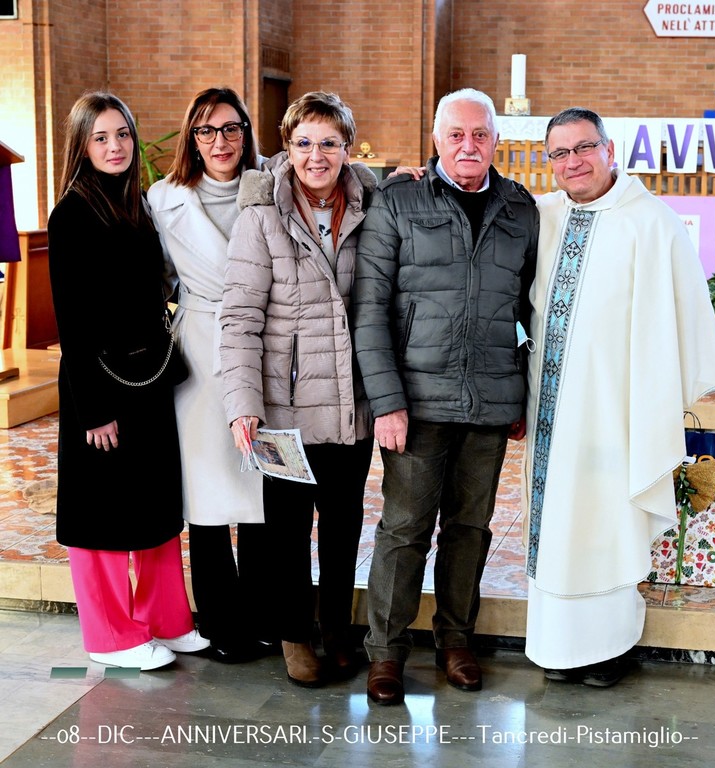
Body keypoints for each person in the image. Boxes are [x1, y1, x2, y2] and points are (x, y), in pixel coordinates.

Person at [522, 107, 715, 687]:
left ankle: (607, 648)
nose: (573, 162)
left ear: (610, 150)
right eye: (560, 153)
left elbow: (678, 314)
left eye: (584, 147)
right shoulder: (541, 215)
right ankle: (556, 646)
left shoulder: (649, 221)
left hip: (617, 409)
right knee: (556, 523)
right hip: (550, 410)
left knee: (607, 523)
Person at [352, 88, 539, 705]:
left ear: (495, 139)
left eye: (479, 134)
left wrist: (516, 389)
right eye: (455, 134)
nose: (468, 146)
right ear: (435, 139)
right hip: (417, 403)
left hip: (488, 402)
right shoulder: (398, 201)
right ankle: (385, 651)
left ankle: (457, 641)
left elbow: (527, 308)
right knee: (405, 529)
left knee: (470, 528)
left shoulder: (520, 209)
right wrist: (387, 402)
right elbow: (370, 309)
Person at [219, 91, 377, 687]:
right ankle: (293, 635)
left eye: (329, 144)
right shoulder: (261, 215)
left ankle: (335, 627)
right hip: (282, 411)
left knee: (343, 527)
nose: (316, 156)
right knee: (286, 532)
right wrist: (244, 406)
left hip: (349, 403)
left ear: (347, 149)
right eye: (304, 143)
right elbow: (239, 318)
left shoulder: (371, 206)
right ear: (287, 147)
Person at [47, 91, 209, 670]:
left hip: (147, 376)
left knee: (153, 504)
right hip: (100, 384)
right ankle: (110, 636)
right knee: (103, 517)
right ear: (82, 146)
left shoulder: (137, 203)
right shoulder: (71, 214)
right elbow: (74, 319)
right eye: (101, 137)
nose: (115, 147)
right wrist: (93, 409)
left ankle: (167, 620)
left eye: (122, 135)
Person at [147, 87, 275, 664]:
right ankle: (221, 623)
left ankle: (265, 617)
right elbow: (159, 277)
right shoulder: (164, 198)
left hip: (266, 346)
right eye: (205, 130)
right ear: (190, 138)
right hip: (200, 348)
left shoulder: (273, 186)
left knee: (263, 488)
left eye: (229, 128)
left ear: (246, 132)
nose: (219, 141)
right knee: (208, 492)